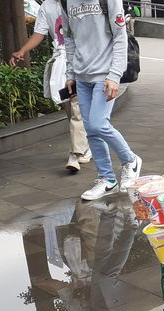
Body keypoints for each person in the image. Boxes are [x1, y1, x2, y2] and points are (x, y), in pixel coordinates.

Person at [62, 0, 142, 201]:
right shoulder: (66, 2)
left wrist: (115, 75)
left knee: (98, 124)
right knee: (91, 129)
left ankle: (130, 160)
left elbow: (120, 36)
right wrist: (70, 73)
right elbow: (69, 39)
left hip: (105, 75)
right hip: (82, 76)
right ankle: (107, 179)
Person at [10, 0, 92, 174]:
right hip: (61, 64)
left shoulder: (78, 2)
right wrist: (22, 50)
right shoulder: (46, 6)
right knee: (69, 106)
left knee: (77, 106)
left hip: (82, 61)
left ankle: (75, 153)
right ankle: (86, 144)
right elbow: (39, 33)